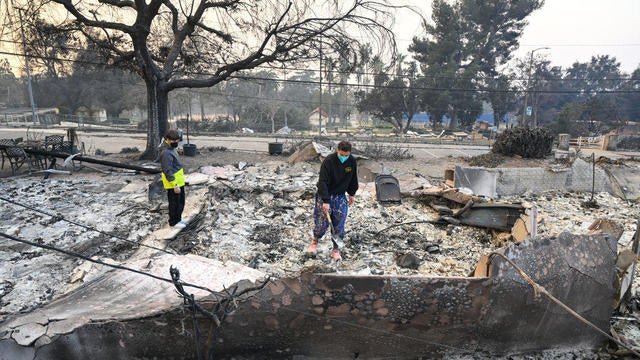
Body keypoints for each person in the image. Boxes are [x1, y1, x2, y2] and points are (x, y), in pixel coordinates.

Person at [307, 141, 358, 261]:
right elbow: (322, 182)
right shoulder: (329, 161)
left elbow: (353, 178)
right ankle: (315, 242)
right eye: (342, 154)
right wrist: (325, 200)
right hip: (326, 195)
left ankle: (336, 249)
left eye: (346, 155)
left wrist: (352, 193)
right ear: (337, 151)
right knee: (322, 221)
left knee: (339, 222)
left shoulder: (351, 161)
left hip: (340, 196)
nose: (344, 157)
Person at [160, 129, 188, 229]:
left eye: (177, 140)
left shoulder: (171, 148)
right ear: (167, 139)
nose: (176, 142)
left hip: (179, 181)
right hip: (173, 183)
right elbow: (168, 170)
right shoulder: (166, 153)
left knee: (180, 201)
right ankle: (173, 222)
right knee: (174, 203)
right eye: (173, 141)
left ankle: (178, 218)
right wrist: (174, 185)